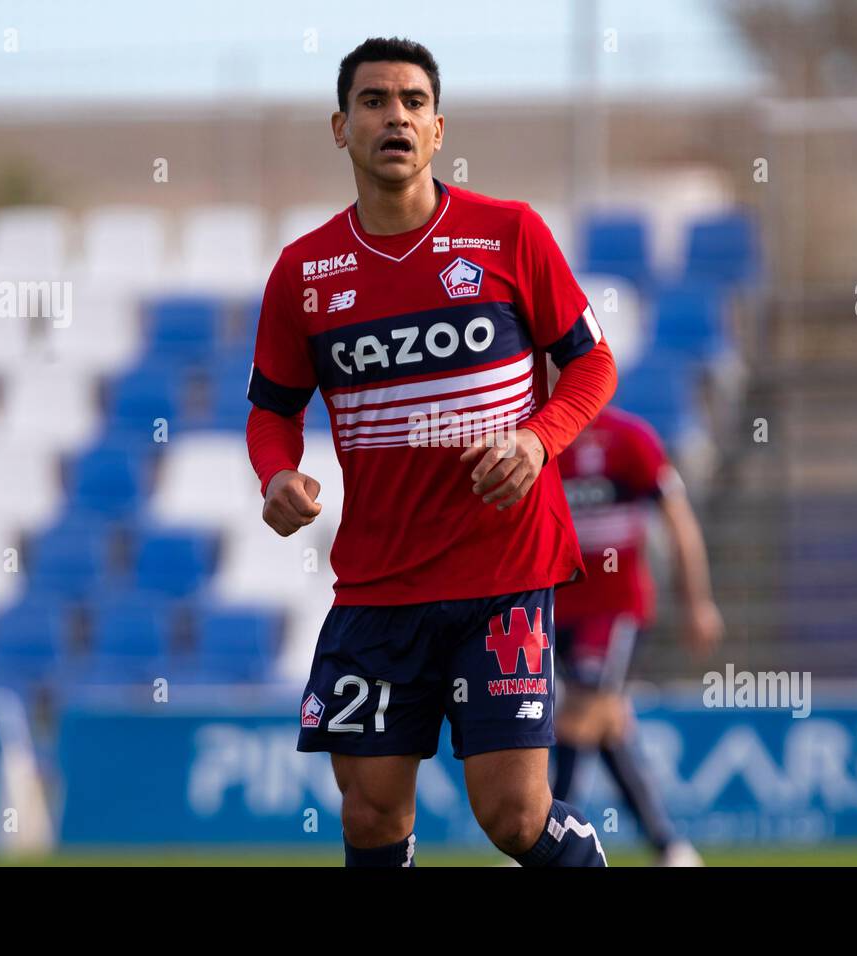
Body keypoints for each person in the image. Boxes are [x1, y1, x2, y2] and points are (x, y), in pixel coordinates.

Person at [245, 36, 618, 866]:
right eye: (375, 101)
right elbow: (272, 411)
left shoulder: (510, 234)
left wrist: (537, 437)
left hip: (502, 573)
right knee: (371, 816)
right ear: (341, 127)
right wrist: (275, 475)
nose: (396, 117)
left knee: (515, 816)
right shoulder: (304, 273)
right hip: (380, 585)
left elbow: (592, 363)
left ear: (438, 128)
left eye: (413, 102)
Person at [553, 403, 724, 865]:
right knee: (607, 724)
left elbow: (678, 520)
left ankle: (543, 843)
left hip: (615, 612)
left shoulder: (631, 438)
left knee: (579, 713)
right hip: (558, 610)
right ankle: (669, 847)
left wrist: (697, 601)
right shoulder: (544, 440)